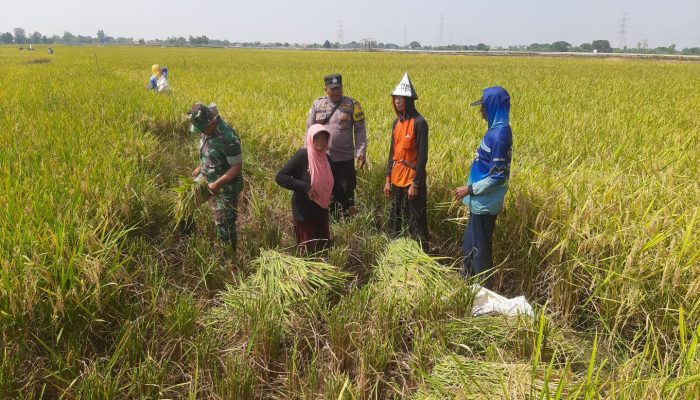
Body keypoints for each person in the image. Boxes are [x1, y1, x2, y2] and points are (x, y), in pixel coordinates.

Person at [453, 86, 513, 284]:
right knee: (469, 246)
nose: (480, 111)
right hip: (478, 202)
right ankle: (466, 287)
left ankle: (484, 292)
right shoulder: (494, 132)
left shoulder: (499, 137)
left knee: (480, 252)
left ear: (493, 107)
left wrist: (468, 189)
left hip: (485, 204)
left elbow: (498, 176)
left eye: (483, 107)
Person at [306, 74, 367, 219]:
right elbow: (309, 130)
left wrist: (361, 151)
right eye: (332, 89)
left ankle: (347, 222)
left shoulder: (352, 104)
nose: (336, 92)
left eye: (338, 88)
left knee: (346, 190)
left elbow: (360, 129)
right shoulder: (318, 105)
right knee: (326, 191)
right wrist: (307, 156)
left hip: (345, 159)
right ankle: (329, 222)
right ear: (325, 89)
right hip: (323, 160)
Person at [188, 102, 244, 252]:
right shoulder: (204, 129)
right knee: (186, 204)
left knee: (224, 223)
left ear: (211, 122)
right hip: (206, 176)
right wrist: (200, 167)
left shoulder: (229, 138)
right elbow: (206, 149)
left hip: (226, 186)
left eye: (203, 129)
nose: (202, 132)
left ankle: (229, 257)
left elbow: (236, 167)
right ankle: (188, 240)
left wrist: (218, 183)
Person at [383, 73, 429, 252]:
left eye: (401, 99)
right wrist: (387, 179)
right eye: (395, 99)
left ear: (409, 101)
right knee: (395, 218)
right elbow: (392, 153)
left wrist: (416, 184)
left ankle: (420, 255)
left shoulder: (419, 123)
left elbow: (423, 157)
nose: (397, 102)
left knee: (416, 220)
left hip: (412, 181)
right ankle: (394, 252)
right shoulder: (396, 123)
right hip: (396, 178)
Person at [276, 124, 334, 254]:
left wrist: (348, 204)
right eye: (317, 138)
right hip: (304, 212)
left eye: (324, 138)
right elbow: (280, 177)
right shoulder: (303, 156)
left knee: (323, 249)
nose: (321, 141)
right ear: (310, 139)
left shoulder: (327, 159)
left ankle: (322, 273)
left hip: (321, 210)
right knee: (307, 252)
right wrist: (305, 187)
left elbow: (334, 185)